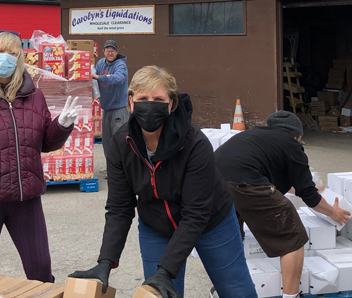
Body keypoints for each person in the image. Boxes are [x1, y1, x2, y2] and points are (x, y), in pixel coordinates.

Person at [69, 65, 257, 298]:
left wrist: (167, 269)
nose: (149, 104)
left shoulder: (195, 144)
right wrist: (106, 261)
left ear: (171, 104)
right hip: (156, 226)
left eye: (158, 99)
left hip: (211, 222)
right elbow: (119, 207)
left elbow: (196, 213)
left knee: (237, 291)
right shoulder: (121, 143)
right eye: (143, 98)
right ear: (131, 102)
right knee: (161, 294)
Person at [0, 31, 78, 282]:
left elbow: (44, 142)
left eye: (12, 53)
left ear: (20, 59)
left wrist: (61, 125)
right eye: (0, 52)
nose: (6, 58)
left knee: (41, 268)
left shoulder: (35, 97)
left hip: (26, 197)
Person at [214, 110, 351, 298]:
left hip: (212, 183)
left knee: (232, 234)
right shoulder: (291, 145)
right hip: (245, 183)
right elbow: (309, 197)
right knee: (291, 236)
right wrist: (332, 213)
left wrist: (306, 186)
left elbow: (272, 174)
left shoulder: (255, 136)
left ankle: (229, 289)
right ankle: (291, 296)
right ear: (297, 135)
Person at [91, 40, 129, 177]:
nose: (110, 52)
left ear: (117, 52)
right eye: (107, 50)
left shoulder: (121, 65)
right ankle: (111, 167)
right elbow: (93, 74)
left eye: (112, 50)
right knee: (107, 141)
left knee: (120, 140)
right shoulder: (101, 63)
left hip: (119, 109)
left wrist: (99, 77)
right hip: (106, 108)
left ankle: (123, 170)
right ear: (103, 52)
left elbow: (118, 78)